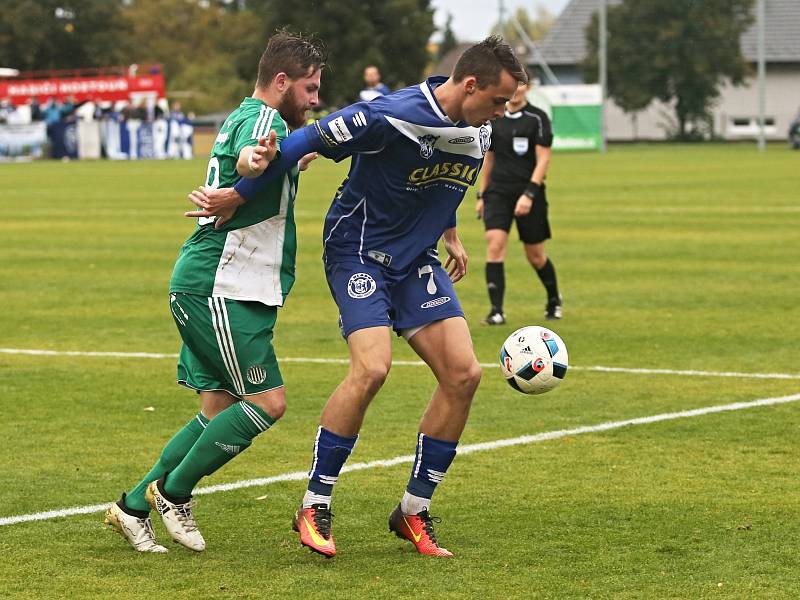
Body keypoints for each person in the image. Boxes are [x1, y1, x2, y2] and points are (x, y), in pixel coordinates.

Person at [187, 36, 526, 557]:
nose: (503, 113)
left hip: (415, 258)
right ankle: (314, 502)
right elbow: (303, 143)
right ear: (471, 84)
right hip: (359, 251)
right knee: (372, 369)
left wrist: (450, 231)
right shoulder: (393, 113)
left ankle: (413, 511)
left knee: (464, 374)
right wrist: (238, 193)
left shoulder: (479, 125)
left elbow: (446, 174)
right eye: (499, 101)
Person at [103, 30, 325, 553]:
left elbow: (259, 161)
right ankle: (173, 492)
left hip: (218, 281)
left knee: (218, 405)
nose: (315, 100)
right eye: (310, 88)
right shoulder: (264, 122)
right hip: (221, 284)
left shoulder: (244, 114)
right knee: (267, 403)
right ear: (281, 81)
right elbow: (252, 158)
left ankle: (132, 506)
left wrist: (284, 161)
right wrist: (255, 164)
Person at [475, 77, 561, 324]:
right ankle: (496, 311)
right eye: (514, 85)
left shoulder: (537, 118)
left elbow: (544, 159)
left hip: (528, 193)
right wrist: (482, 194)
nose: (517, 90)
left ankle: (554, 300)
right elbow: (488, 159)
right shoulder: (494, 119)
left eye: (522, 85)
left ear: (528, 88)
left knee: (535, 255)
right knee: (494, 244)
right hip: (498, 193)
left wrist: (529, 194)